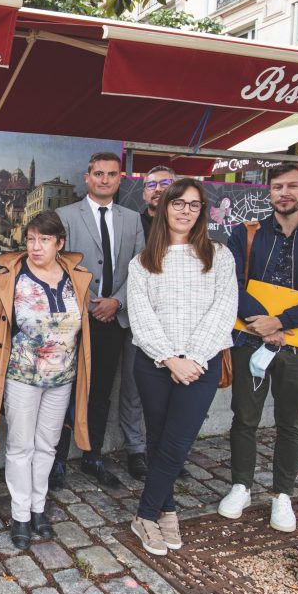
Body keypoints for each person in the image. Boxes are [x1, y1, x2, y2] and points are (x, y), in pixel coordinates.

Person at [219, 162, 298, 533]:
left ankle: (283, 494)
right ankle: (241, 484)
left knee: (292, 422)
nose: (283, 193)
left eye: (292, 186)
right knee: (245, 417)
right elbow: (231, 283)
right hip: (249, 338)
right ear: (269, 193)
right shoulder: (246, 233)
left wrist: (281, 322)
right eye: (276, 187)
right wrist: (263, 323)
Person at [127, 179, 238, 556]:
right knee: (158, 440)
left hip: (200, 365)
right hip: (154, 364)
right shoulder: (142, 262)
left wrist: (192, 358)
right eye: (179, 203)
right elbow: (141, 319)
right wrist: (169, 358)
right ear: (165, 208)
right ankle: (167, 509)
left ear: (202, 211)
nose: (185, 210)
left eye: (194, 205)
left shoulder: (219, 256)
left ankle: (144, 514)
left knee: (177, 442)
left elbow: (224, 311)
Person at [0, 211, 93, 550]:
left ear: (60, 243)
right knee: (20, 446)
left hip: (63, 377)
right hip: (21, 375)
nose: (36, 246)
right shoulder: (11, 277)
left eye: (44, 240)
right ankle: (20, 514)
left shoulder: (76, 277)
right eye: (30, 239)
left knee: (47, 446)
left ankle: (39, 508)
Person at [52, 151, 146, 488]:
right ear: (87, 178)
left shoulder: (132, 219)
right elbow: (56, 266)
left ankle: (92, 455)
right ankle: (57, 461)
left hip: (112, 320)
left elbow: (140, 269)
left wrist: (117, 302)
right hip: (74, 320)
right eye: (98, 174)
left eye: (111, 174)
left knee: (101, 391)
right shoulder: (64, 216)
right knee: (63, 389)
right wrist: (86, 302)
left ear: (120, 179)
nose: (104, 179)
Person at [118, 165, 177, 480]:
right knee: (134, 389)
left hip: (177, 322)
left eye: (165, 183)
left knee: (173, 391)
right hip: (138, 320)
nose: (157, 189)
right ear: (143, 192)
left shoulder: (186, 227)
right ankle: (136, 451)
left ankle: (167, 452)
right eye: (151, 184)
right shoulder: (131, 225)